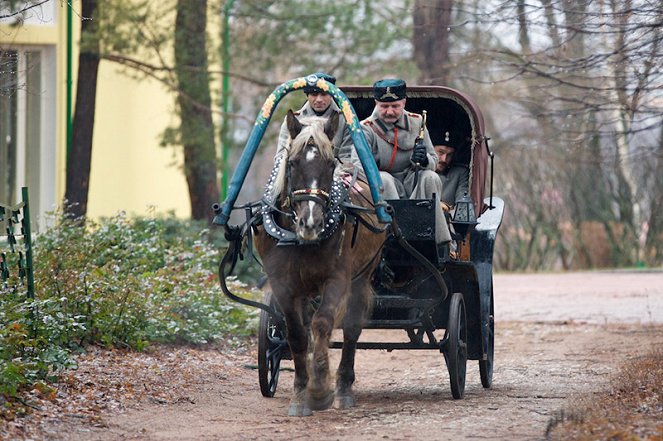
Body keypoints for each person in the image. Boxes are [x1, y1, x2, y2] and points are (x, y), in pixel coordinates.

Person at [360, 78, 451, 244]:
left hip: (412, 182)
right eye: (384, 106)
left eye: (395, 106)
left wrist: (424, 160)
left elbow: (434, 160)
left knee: (431, 177)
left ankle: (440, 243)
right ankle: (393, 235)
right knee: (383, 178)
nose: (389, 111)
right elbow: (358, 166)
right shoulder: (366, 128)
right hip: (384, 186)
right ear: (376, 103)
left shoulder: (417, 122)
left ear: (403, 102)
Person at [275, 72, 353, 161]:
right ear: (307, 95)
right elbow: (281, 157)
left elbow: (347, 157)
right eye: (314, 94)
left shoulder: (346, 120)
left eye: (323, 94)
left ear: (331, 95)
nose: (319, 99)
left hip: (335, 172)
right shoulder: (294, 120)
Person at [430, 128, 470, 212]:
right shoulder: (417, 171)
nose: (444, 159)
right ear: (431, 150)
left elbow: (462, 206)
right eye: (440, 152)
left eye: (449, 155)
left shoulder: (459, 174)